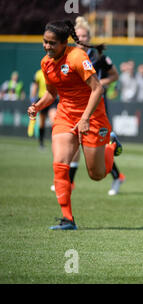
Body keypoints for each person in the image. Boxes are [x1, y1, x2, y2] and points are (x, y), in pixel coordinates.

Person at [27, 19, 123, 230]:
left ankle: (112, 146)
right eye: (45, 42)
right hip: (65, 117)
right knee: (60, 166)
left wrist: (86, 118)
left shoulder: (77, 57)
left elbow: (97, 89)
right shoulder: (46, 63)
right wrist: (38, 105)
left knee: (96, 174)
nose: (47, 46)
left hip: (93, 117)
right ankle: (68, 219)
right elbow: (51, 94)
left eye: (52, 43)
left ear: (64, 43)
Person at [54, 16, 125, 196]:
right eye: (79, 35)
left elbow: (115, 76)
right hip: (74, 107)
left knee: (96, 148)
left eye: (85, 35)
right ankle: (69, 182)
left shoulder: (99, 57)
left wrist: (98, 82)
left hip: (95, 106)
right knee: (74, 144)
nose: (82, 39)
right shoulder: (69, 56)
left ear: (89, 37)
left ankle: (117, 175)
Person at [30, 69, 58, 148]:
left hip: (53, 99)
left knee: (54, 120)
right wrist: (33, 99)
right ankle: (41, 143)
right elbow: (35, 86)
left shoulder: (54, 71)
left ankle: (55, 142)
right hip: (42, 99)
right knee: (42, 123)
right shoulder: (38, 73)